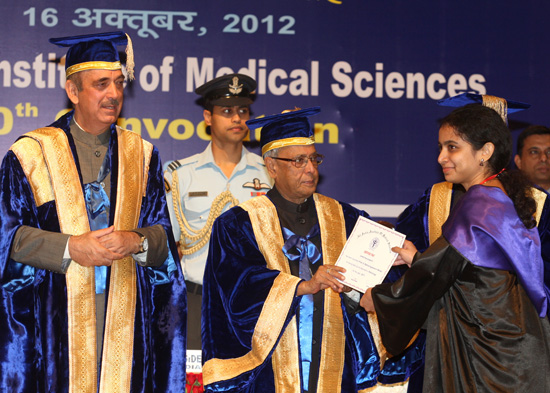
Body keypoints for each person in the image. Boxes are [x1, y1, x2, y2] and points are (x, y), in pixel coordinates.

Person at [0, 31, 186, 392]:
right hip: (54, 323)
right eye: (101, 84)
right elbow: (8, 235)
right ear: (73, 92)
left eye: (118, 83)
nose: (114, 94)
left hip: (127, 321)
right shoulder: (30, 154)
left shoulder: (142, 155)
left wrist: (135, 240)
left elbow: (164, 233)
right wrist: (72, 248)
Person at [201, 107, 421, 392]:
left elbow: (372, 287)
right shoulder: (238, 225)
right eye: (298, 160)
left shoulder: (345, 218)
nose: (311, 169)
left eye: (314, 159)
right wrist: (303, 286)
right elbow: (236, 295)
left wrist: (391, 271)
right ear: (271, 166)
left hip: (333, 364)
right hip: (269, 372)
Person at [361, 104, 550, 392]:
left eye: (452, 147)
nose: (441, 158)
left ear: (484, 152)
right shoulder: (497, 195)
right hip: (510, 347)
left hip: (491, 359)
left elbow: (435, 275)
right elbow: (467, 269)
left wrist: (381, 299)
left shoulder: (479, 204)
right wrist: (417, 259)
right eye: (440, 147)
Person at [163, 73, 272, 352]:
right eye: (227, 111)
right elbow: (166, 245)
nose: (237, 118)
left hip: (252, 304)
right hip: (197, 300)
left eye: (243, 111)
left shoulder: (269, 175)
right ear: (208, 117)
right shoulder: (180, 176)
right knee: (194, 383)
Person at [514, 125, 550, 192]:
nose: (543, 158)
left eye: (549, 152)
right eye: (534, 152)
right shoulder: (504, 199)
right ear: (518, 162)